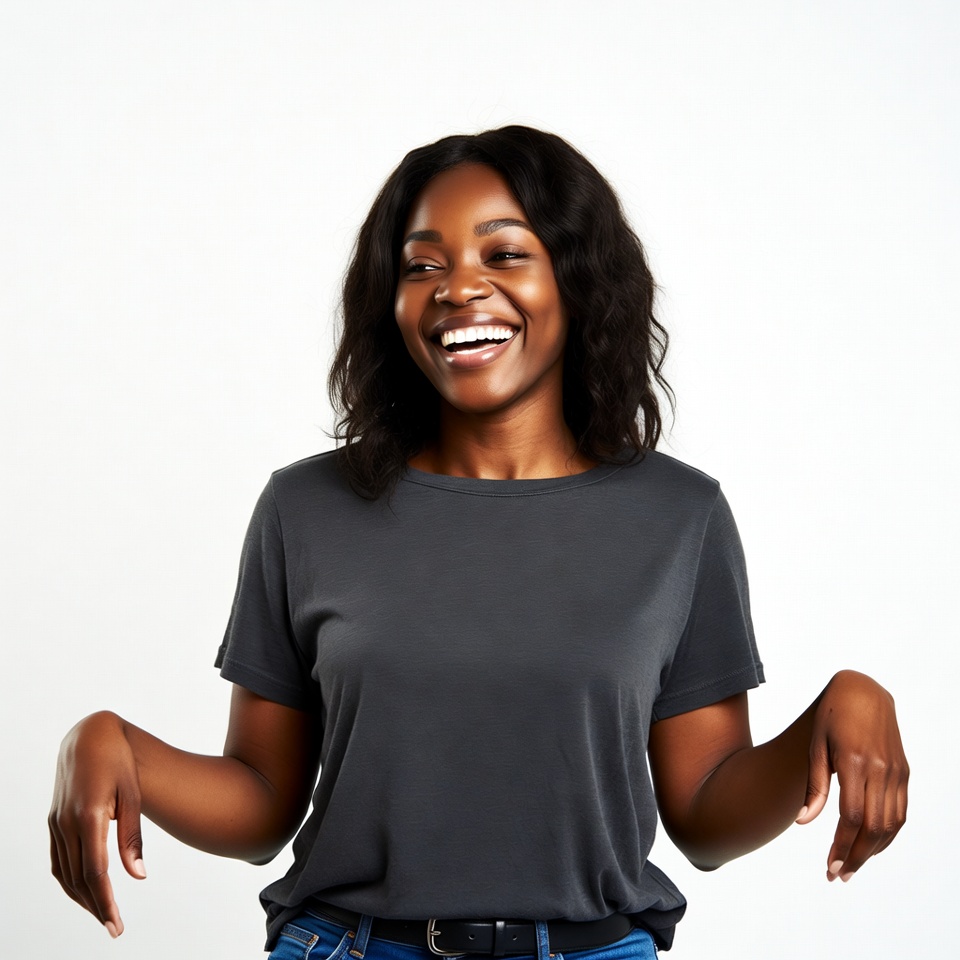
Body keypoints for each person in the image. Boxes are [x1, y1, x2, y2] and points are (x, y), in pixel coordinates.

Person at [49, 126, 908, 957]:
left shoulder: (679, 517)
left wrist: (831, 715)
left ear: (574, 279)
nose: (459, 288)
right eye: (424, 265)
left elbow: (707, 818)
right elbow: (264, 804)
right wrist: (116, 744)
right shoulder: (306, 509)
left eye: (503, 255)